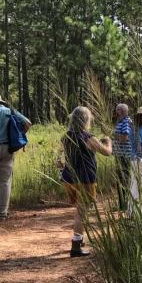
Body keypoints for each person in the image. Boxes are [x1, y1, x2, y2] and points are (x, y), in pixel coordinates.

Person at [60, 106, 112, 257]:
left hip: (69, 177)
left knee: (79, 209)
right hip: (85, 179)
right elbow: (107, 152)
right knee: (81, 212)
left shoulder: (66, 136)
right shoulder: (88, 137)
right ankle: (76, 245)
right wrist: (108, 141)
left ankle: (79, 238)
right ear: (86, 120)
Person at [112, 103, 134, 211]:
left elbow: (125, 137)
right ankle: (122, 205)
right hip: (120, 154)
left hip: (124, 155)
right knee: (120, 179)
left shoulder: (126, 122)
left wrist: (113, 135)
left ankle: (125, 205)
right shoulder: (121, 121)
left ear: (122, 111)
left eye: (117, 110)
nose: (116, 113)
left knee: (124, 179)